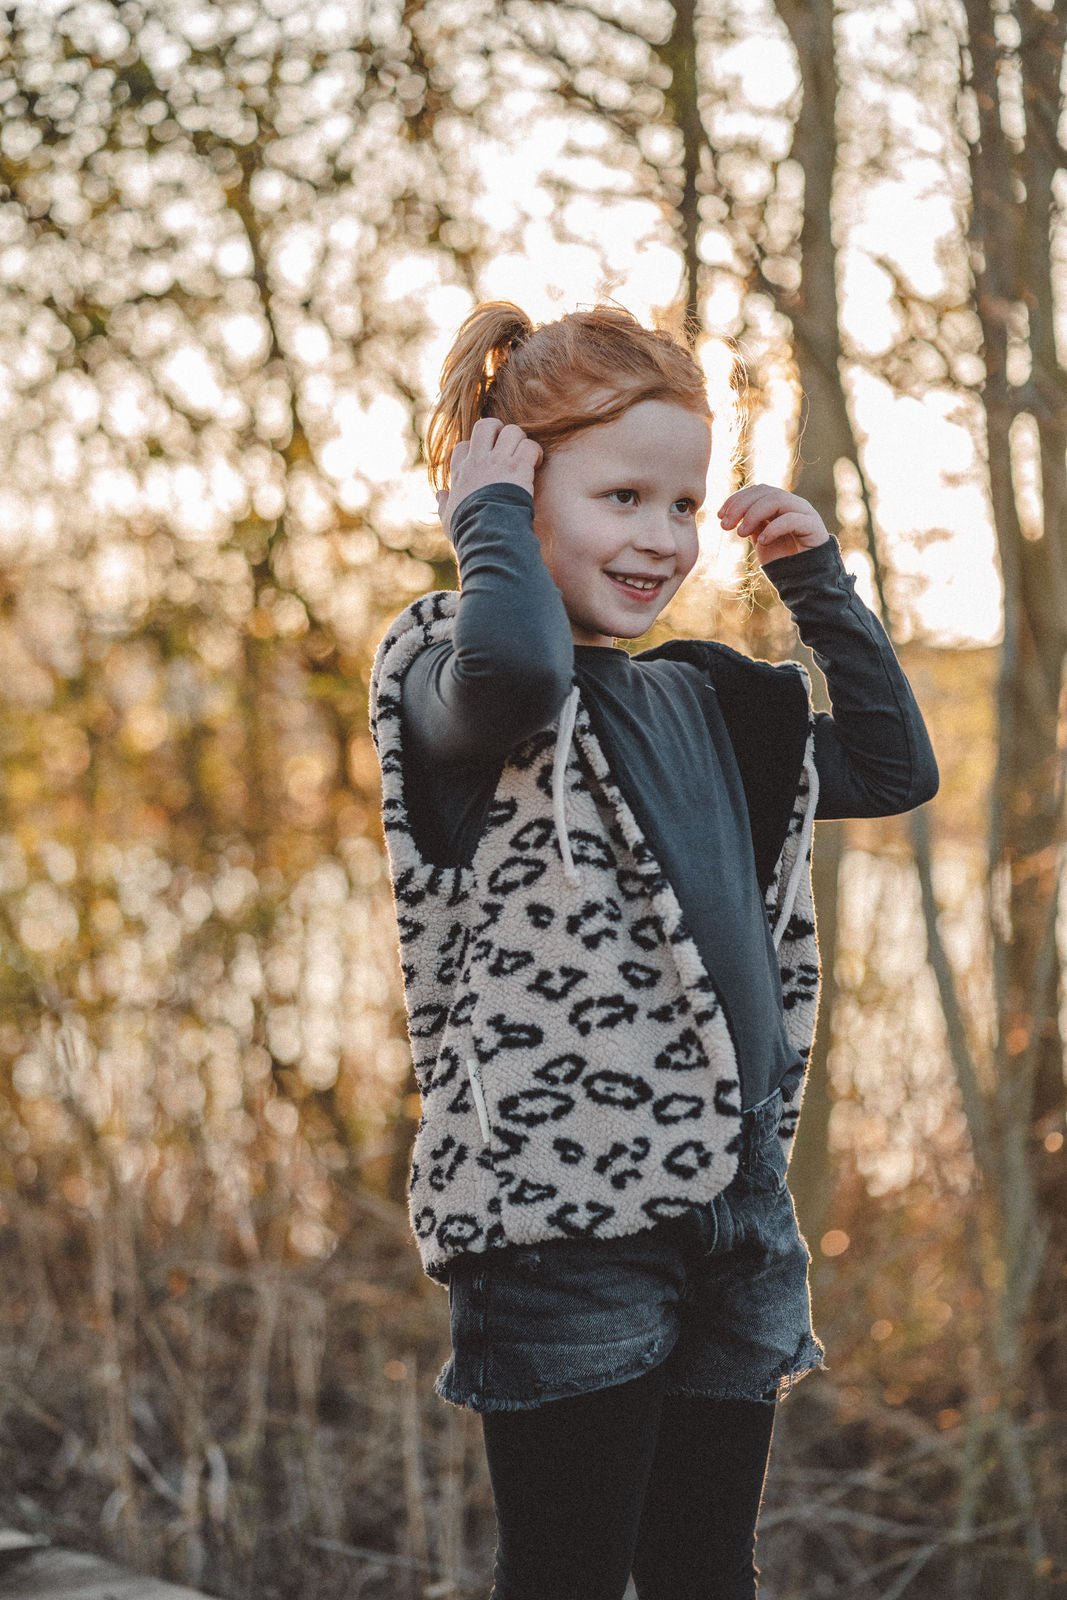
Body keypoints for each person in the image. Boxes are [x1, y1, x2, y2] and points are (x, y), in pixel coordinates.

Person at [367, 301, 938, 1600]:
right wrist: (485, 518)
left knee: (701, 1570)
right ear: (512, 487)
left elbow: (896, 767)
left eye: (682, 505)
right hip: (559, 1210)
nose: (663, 538)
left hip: (734, 1198)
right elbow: (517, 670)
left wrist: (815, 577)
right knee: (568, 1572)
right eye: (622, 495)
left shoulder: (708, 698)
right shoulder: (449, 678)